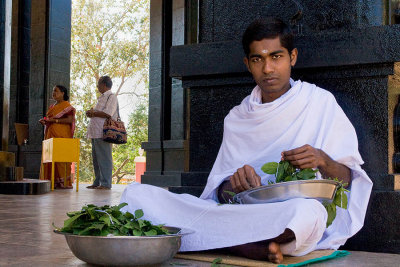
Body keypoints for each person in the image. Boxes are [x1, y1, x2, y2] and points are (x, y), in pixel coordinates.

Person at [120, 18, 372, 263]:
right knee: (136, 195)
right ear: (247, 63)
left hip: (291, 213)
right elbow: (219, 193)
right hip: (245, 213)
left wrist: (323, 160)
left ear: (292, 57)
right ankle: (248, 245)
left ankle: (235, 244)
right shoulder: (238, 118)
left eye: (276, 56)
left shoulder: (319, 103)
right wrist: (234, 186)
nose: (268, 68)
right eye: (257, 59)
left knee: (307, 214)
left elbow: (349, 181)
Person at [39, 85, 76, 189]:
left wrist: (54, 121)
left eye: (56, 91)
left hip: (62, 135)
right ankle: (51, 182)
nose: (53, 93)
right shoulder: (52, 107)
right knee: (50, 158)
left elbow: (70, 120)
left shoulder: (66, 105)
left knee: (61, 159)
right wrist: (45, 122)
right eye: (53, 91)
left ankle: (63, 182)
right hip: (50, 135)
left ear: (63, 93)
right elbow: (49, 120)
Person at [86, 76, 118, 190]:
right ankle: (97, 182)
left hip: (103, 132)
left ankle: (106, 183)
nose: (97, 86)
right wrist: (92, 113)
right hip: (95, 132)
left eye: (98, 84)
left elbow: (108, 113)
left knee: (105, 158)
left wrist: (93, 113)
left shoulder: (111, 96)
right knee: (96, 160)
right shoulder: (101, 97)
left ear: (104, 85)